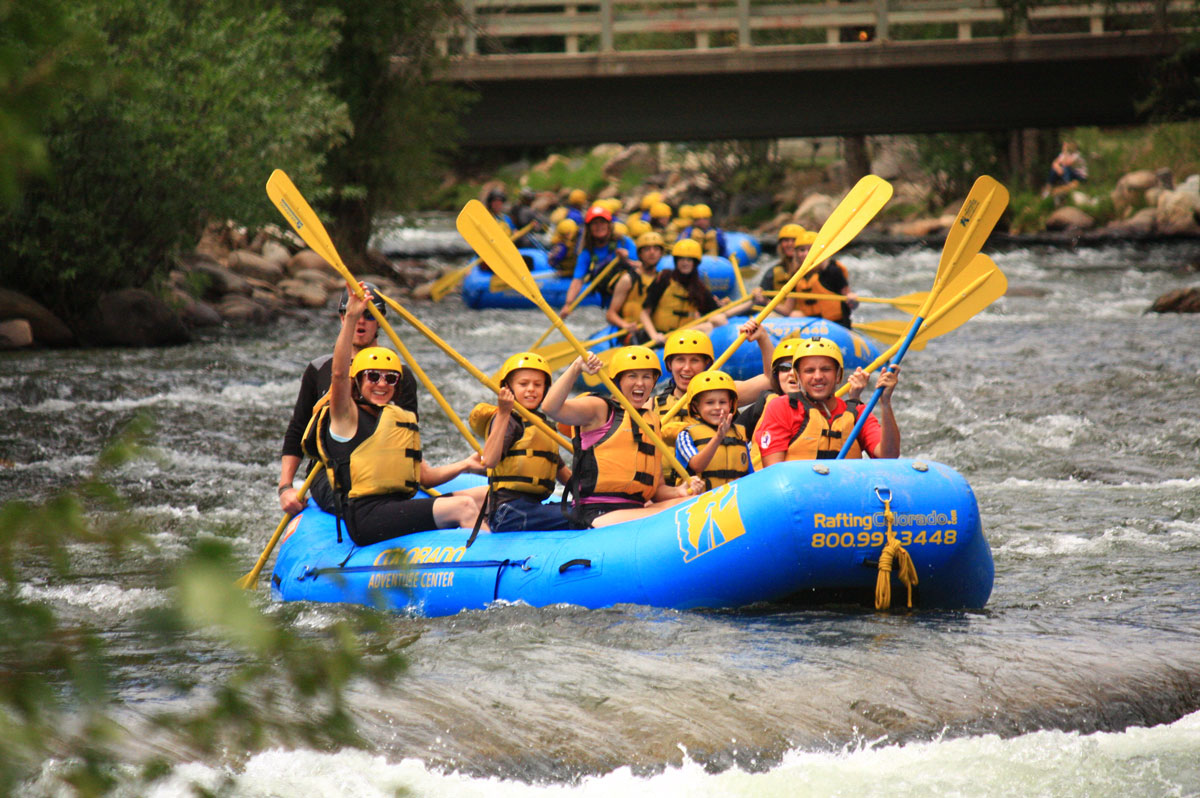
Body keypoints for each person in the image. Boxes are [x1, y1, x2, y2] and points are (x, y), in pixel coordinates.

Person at [302, 284, 483, 545]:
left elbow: (424, 477)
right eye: (373, 377)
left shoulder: (397, 420)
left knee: (485, 495)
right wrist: (351, 316)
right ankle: (480, 564)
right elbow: (340, 374)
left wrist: (466, 464)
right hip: (366, 517)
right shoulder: (346, 418)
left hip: (394, 505)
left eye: (390, 378)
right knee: (464, 506)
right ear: (358, 382)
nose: (382, 384)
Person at [277, 282, 418, 516]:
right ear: (343, 318)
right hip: (331, 469)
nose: (361, 321)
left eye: (369, 315)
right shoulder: (319, 369)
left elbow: (410, 434)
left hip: (382, 469)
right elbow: (297, 429)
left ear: (380, 320)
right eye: (353, 313)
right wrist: (285, 487)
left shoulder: (398, 375)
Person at [542, 346, 703, 528]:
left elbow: (658, 490)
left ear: (654, 381)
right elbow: (550, 408)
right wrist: (576, 367)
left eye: (646, 377)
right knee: (683, 512)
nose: (640, 383)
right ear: (618, 381)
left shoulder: (652, 421)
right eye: (632, 376)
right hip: (596, 511)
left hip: (635, 508)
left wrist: (679, 491)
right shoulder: (600, 408)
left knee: (696, 503)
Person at [756, 337, 900, 464]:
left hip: (845, 492)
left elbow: (889, 456)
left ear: (838, 375)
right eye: (809, 371)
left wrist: (885, 403)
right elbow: (773, 470)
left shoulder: (858, 413)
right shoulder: (781, 407)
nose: (818, 376)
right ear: (798, 377)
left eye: (826, 369)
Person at [471, 352, 572, 532]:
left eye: (538, 385)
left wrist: (599, 494)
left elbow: (564, 475)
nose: (531, 389)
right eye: (523, 384)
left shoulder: (542, 426)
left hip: (532, 507)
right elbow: (490, 460)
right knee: (577, 515)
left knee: (585, 509)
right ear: (508, 389)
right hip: (508, 512)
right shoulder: (509, 420)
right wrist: (503, 413)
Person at [675, 370, 753, 491]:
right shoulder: (685, 435)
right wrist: (718, 438)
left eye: (722, 402)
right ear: (696, 406)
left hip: (734, 499)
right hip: (702, 502)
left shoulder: (739, 434)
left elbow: (750, 473)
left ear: (731, 404)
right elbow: (697, 466)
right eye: (710, 403)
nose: (717, 407)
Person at [639, 238, 726, 343]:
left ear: (695, 263)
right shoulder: (664, 278)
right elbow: (644, 313)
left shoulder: (699, 288)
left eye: (689, 260)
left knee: (717, 320)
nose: (685, 263)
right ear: (676, 261)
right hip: (661, 336)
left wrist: (750, 303)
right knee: (707, 326)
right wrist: (654, 335)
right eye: (681, 259)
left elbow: (719, 312)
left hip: (683, 338)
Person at [740, 336, 805, 468]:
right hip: (759, 482)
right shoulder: (762, 405)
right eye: (785, 367)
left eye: (798, 367)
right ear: (777, 375)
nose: (792, 373)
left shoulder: (827, 410)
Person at [560, 205, 636, 315]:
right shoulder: (587, 252)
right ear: (589, 228)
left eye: (602, 222)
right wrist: (568, 304)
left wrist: (626, 259)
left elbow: (642, 267)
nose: (599, 226)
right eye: (595, 223)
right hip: (610, 302)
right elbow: (578, 280)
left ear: (609, 225)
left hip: (631, 298)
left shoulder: (625, 243)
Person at [780, 230, 858, 329]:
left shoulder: (833, 271)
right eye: (802, 250)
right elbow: (787, 310)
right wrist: (765, 301)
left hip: (836, 325)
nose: (806, 254)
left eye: (810, 250)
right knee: (795, 315)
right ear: (796, 254)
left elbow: (851, 302)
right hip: (812, 326)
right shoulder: (796, 276)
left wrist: (853, 299)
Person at [605, 231, 664, 343]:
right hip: (631, 333)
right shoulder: (628, 279)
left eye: (656, 249)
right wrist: (625, 325)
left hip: (653, 331)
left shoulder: (662, 278)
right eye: (647, 249)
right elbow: (610, 314)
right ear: (640, 254)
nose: (652, 253)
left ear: (661, 253)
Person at [753, 223, 806, 313]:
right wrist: (757, 291)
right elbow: (762, 291)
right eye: (786, 240)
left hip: (805, 314)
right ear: (780, 245)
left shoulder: (814, 269)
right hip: (781, 315)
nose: (790, 244)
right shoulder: (773, 272)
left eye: (794, 240)